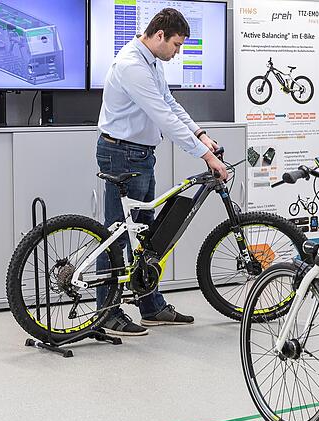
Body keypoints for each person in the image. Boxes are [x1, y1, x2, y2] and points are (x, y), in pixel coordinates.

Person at [95, 8, 229, 336]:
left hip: (140, 155)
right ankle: (105, 313)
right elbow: (163, 117)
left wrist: (200, 135)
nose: (178, 51)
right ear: (159, 36)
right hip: (122, 155)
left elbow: (170, 104)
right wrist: (206, 157)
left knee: (145, 236)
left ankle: (151, 307)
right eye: (177, 45)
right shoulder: (132, 66)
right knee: (117, 235)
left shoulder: (150, 61)